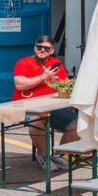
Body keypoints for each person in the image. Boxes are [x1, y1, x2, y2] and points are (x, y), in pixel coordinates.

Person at [13, 35, 79, 169]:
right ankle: (43, 156)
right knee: (38, 119)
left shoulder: (56, 63)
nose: (42, 50)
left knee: (80, 124)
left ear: (51, 50)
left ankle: (58, 155)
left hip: (53, 108)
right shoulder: (24, 62)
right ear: (34, 48)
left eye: (46, 48)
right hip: (27, 108)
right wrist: (44, 77)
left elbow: (64, 84)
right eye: (39, 47)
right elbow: (20, 84)